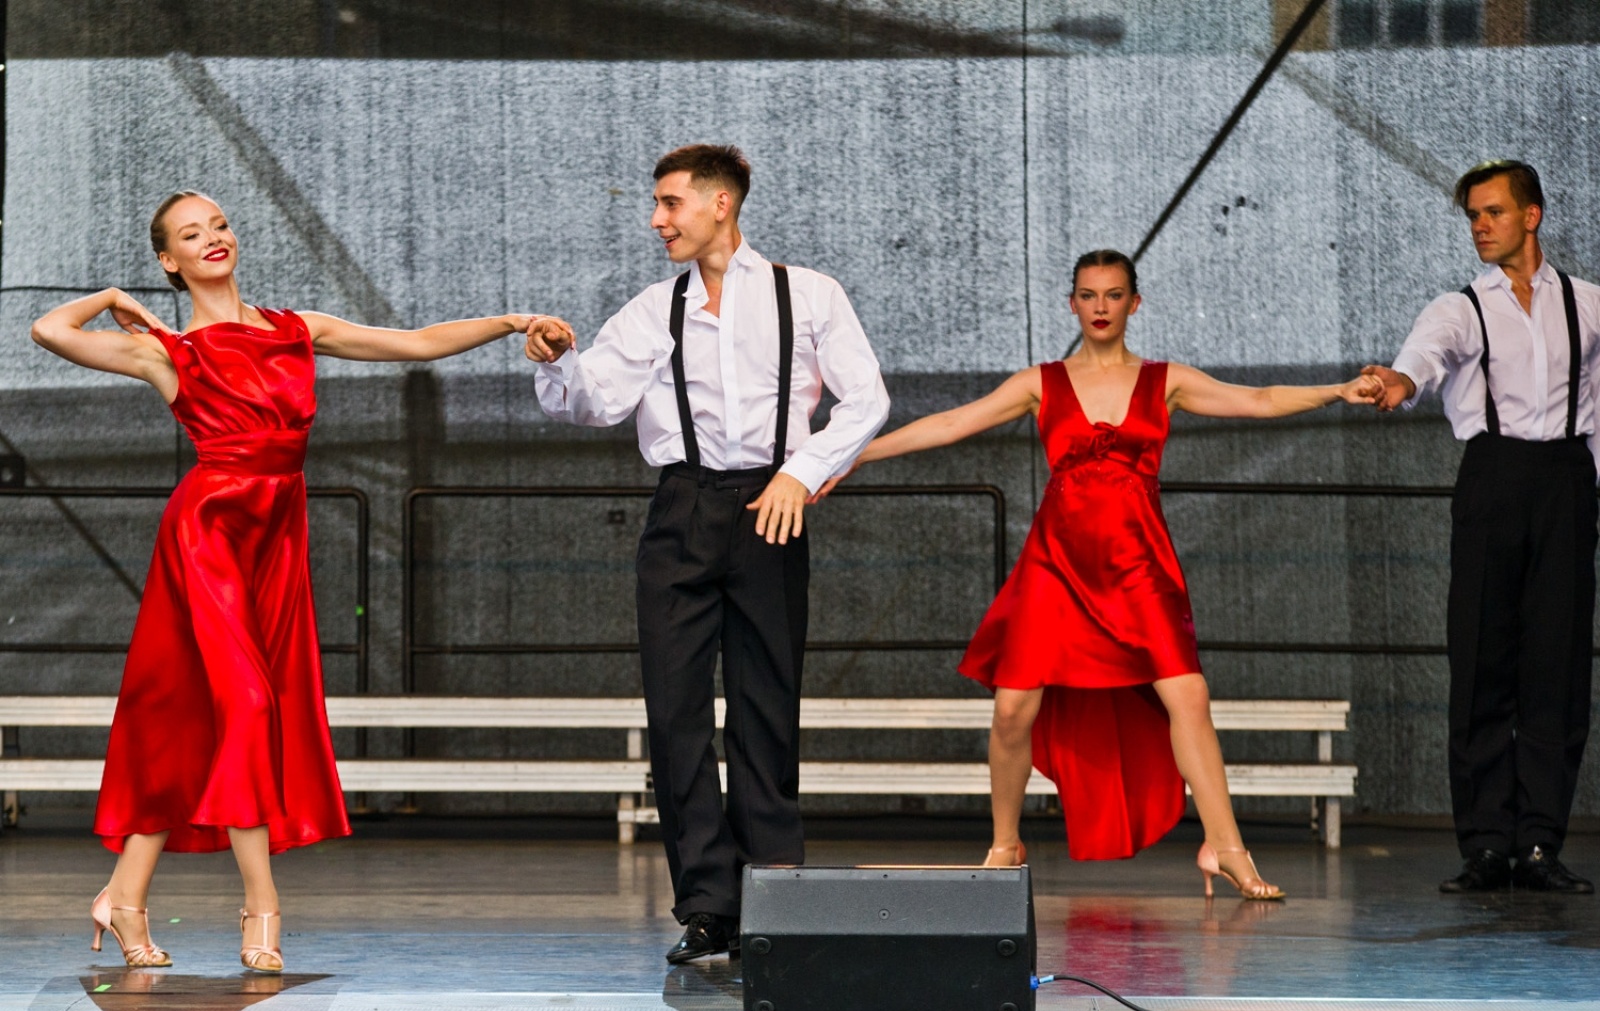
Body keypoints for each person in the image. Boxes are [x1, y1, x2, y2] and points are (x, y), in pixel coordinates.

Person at [30, 190, 575, 970]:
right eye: (191, 234)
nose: (213, 238)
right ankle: (262, 905)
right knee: (249, 703)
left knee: (194, 717)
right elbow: (50, 330)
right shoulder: (166, 351)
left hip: (275, 534)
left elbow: (416, 343)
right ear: (169, 260)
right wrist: (115, 296)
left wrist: (515, 322)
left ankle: (122, 896)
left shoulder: (297, 329)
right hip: (208, 532)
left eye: (220, 225)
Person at [823, 249, 1379, 899]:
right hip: (1055, 566)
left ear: (1133, 303)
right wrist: (851, 455)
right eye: (1088, 295)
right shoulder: (1041, 383)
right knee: (1012, 708)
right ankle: (1004, 843)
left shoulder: (1165, 380)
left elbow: (1258, 399)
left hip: (1140, 566)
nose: (1101, 307)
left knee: (1188, 697)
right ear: (1072, 304)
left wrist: (1337, 390)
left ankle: (1225, 847)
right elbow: (952, 423)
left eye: (1114, 295)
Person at [528, 144, 889, 962]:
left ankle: (774, 893)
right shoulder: (656, 307)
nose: (657, 220)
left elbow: (867, 398)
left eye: (670, 203)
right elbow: (594, 399)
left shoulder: (809, 294)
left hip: (772, 504)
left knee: (766, 705)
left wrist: (802, 472)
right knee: (676, 710)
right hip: (683, 507)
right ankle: (708, 904)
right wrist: (559, 360)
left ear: (719, 203)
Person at [1363, 161, 1598, 895]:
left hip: (1566, 481)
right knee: (1481, 661)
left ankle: (1540, 844)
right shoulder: (1462, 306)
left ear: (1532, 215)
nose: (1480, 226)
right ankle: (1488, 845)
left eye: (1493, 211)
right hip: (1493, 477)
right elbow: (1425, 356)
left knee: (1557, 666)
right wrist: (1400, 381)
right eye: (1472, 215)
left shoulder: (1588, 304)